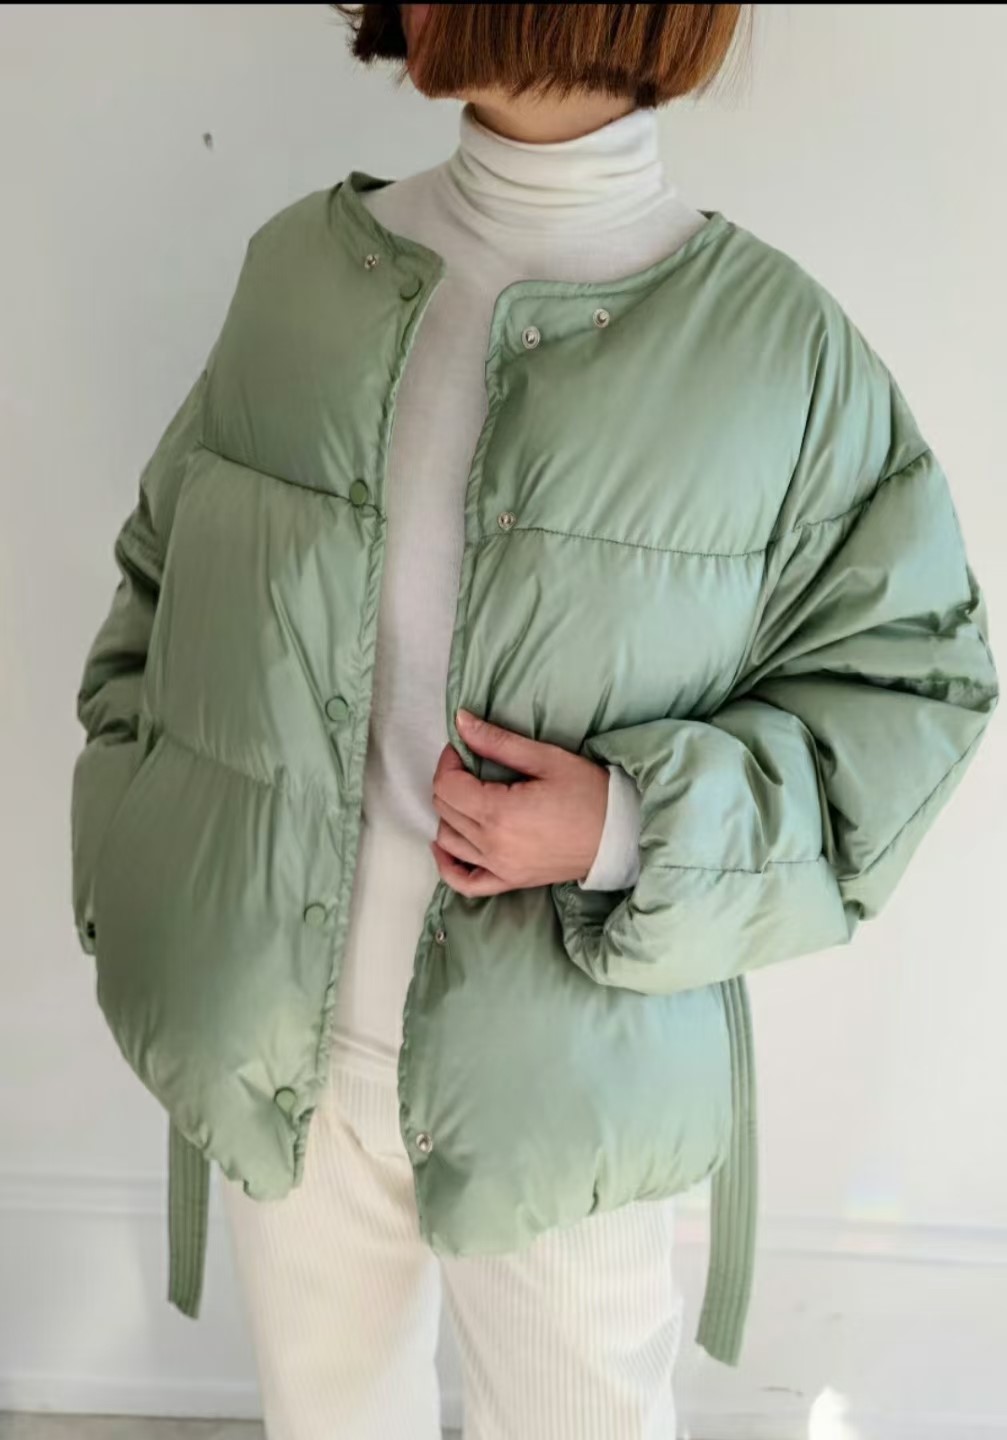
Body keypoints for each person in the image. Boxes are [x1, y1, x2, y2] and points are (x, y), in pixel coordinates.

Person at [69, 4, 998, 1437]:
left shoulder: (774, 356)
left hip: (571, 1087)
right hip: (279, 1053)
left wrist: (626, 826)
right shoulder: (301, 277)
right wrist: (142, 875)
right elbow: (160, 584)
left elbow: (907, 695)